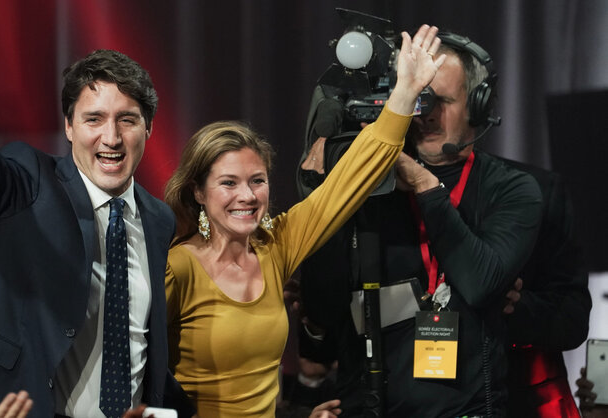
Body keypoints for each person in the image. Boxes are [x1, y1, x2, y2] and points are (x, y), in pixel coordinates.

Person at [0, 1, 186, 416]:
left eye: (127, 120)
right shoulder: (29, 182)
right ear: (69, 127)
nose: (111, 137)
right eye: (94, 119)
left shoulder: (159, 220)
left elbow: (143, 344)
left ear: (149, 127)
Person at [162, 24, 447, 417]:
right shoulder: (177, 266)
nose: (247, 196)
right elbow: (136, 373)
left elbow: (350, 180)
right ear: (198, 192)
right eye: (228, 183)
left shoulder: (275, 245)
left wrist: (405, 92)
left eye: (257, 181)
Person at [297, 31, 543, 417]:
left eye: (441, 101)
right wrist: (322, 191)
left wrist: (423, 183)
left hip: (466, 408)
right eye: (417, 99)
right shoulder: (370, 186)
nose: (425, 113)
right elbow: (323, 310)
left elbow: (480, 282)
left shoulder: (512, 189)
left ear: (477, 106)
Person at [502, 160, 591, 417]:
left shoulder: (536, 189)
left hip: (520, 395)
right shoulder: (388, 189)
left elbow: (572, 318)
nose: (427, 117)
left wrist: (514, 307)